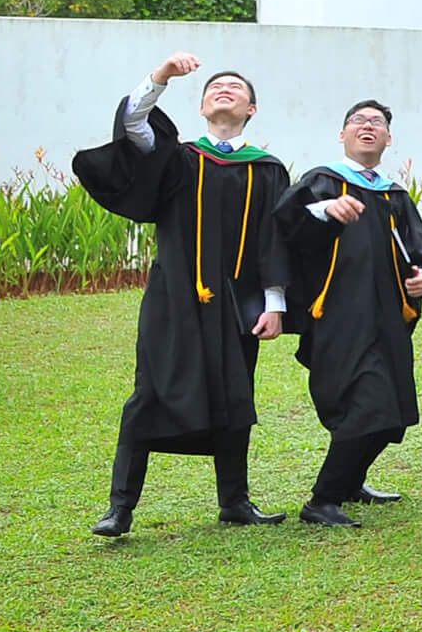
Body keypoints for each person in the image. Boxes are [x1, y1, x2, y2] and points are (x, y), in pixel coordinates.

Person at [73, 54, 292, 537]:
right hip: (174, 299)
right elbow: (133, 124)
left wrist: (274, 304)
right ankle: (120, 508)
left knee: (236, 397)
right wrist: (160, 79)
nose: (225, 90)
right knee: (148, 395)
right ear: (200, 105)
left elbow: (274, 241)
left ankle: (235, 502)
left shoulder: (268, 169)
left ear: (251, 109)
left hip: (237, 303)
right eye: (216, 86)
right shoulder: (176, 158)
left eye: (236, 87)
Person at [274, 100, 422, 528]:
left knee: (393, 413)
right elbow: (282, 227)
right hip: (337, 314)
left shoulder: (394, 195)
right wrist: (324, 211)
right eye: (358, 121)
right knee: (365, 404)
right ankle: (321, 501)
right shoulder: (322, 182)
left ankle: (351, 481)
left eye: (377, 123)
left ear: (389, 138)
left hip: (387, 316)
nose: (367, 127)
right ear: (342, 134)